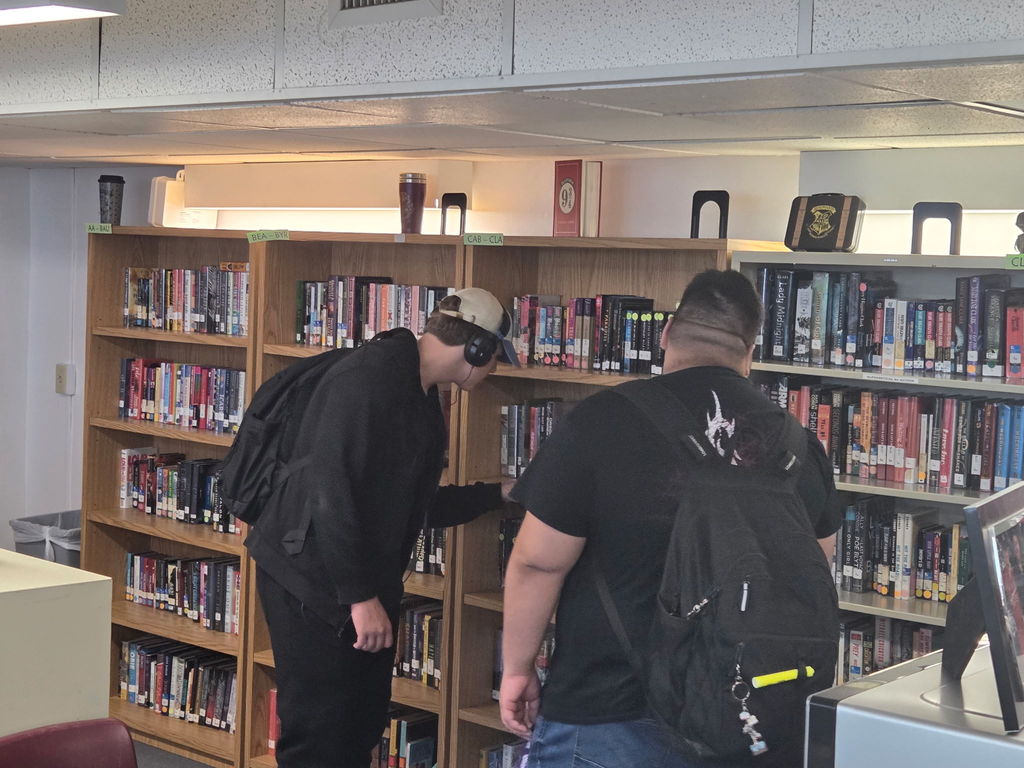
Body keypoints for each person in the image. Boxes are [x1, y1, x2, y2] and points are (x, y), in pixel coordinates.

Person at [499, 269, 841, 767]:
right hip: (744, 716)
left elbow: (536, 563)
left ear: (665, 336)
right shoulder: (799, 447)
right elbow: (812, 569)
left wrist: (517, 668)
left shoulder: (600, 422)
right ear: (749, 352)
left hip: (607, 711)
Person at [246, 287, 518, 768]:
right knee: (318, 732)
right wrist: (360, 597)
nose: (496, 366)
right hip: (310, 577)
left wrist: (494, 495)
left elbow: (410, 504)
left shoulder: (420, 394)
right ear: (476, 347)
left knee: (361, 724)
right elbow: (329, 490)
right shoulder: (369, 379)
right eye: (495, 355)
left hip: (359, 580)